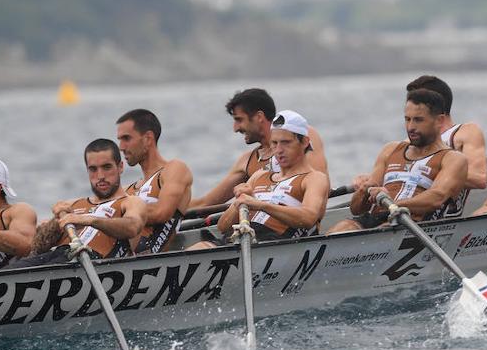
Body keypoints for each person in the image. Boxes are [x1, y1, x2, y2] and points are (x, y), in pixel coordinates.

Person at [328, 88, 468, 233]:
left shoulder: (453, 158)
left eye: (418, 120)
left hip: (416, 223)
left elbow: (436, 198)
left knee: (383, 231)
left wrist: (392, 203)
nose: (411, 127)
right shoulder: (390, 150)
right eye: (407, 119)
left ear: (439, 120)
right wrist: (364, 190)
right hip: (377, 217)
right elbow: (356, 210)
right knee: (341, 228)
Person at [189, 114, 330, 248]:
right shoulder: (259, 176)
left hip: (276, 243)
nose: (279, 150)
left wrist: (260, 205)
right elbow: (223, 227)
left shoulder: (314, 178)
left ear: (304, 142)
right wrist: (239, 203)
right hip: (239, 240)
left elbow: (308, 218)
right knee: (199, 247)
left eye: (286, 143)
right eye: (274, 143)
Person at [6, 139, 147, 268]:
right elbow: (37, 248)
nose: (100, 176)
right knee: (11, 269)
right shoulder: (73, 205)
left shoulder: (131, 202)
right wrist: (55, 223)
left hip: (91, 263)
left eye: (106, 167)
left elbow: (132, 227)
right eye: (93, 169)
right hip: (58, 256)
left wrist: (88, 220)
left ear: (120, 167)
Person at [190, 88, 329, 208]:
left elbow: (319, 189)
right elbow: (206, 203)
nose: (235, 128)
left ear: (259, 117)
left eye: (239, 120)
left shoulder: (303, 135)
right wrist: (172, 204)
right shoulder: (246, 161)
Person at [116, 108, 193, 254]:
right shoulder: (129, 190)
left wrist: (108, 219)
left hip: (147, 260)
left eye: (126, 139)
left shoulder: (174, 169)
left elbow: (161, 212)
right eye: (119, 140)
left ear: (148, 139)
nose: (121, 147)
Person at [405, 74, 487, 190]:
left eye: (418, 101)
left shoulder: (465, 132)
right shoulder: (407, 143)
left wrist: (427, 169)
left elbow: (479, 179)